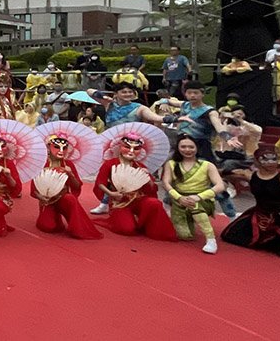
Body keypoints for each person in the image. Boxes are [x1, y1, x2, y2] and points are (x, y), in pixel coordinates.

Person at [159, 81, 242, 219]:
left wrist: (227, 137)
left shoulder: (209, 111)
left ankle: (232, 216)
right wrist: (163, 101)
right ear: (185, 93)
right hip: (181, 149)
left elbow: (218, 125)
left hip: (202, 150)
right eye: (189, 92)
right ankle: (166, 212)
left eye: (196, 92)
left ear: (202, 93)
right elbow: (167, 100)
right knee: (173, 180)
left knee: (214, 183)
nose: (192, 95)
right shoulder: (184, 105)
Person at [94, 132, 178, 241]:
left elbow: (151, 190)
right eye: (127, 147)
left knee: (154, 203)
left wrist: (147, 177)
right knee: (127, 229)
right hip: (120, 202)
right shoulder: (110, 164)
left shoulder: (140, 166)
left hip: (138, 199)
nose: (131, 151)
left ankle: (149, 225)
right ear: (120, 147)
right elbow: (100, 182)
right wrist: (111, 193)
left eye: (136, 148)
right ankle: (132, 220)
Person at [31, 132, 102, 240]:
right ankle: (54, 218)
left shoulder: (69, 165)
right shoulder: (42, 164)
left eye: (64, 148)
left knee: (70, 199)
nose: (60, 151)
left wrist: (71, 175)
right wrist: (41, 197)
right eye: (56, 147)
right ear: (48, 148)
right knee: (49, 227)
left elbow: (77, 186)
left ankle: (76, 226)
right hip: (47, 201)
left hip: (63, 198)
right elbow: (34, 190)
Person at [163, 135, 227, 254]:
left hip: (201, 200)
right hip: (179, 200)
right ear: (178, 148)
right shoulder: (171, 164)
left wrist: (198, 197)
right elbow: (166, 183)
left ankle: (211, 239)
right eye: (183, 147)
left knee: (194, 205)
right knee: (185, 236)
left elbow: (220, 186)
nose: (187, 150)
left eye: (191, 147)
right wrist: (179, 197)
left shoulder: (207, 165)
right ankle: (188, 219)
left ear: (197, 147)